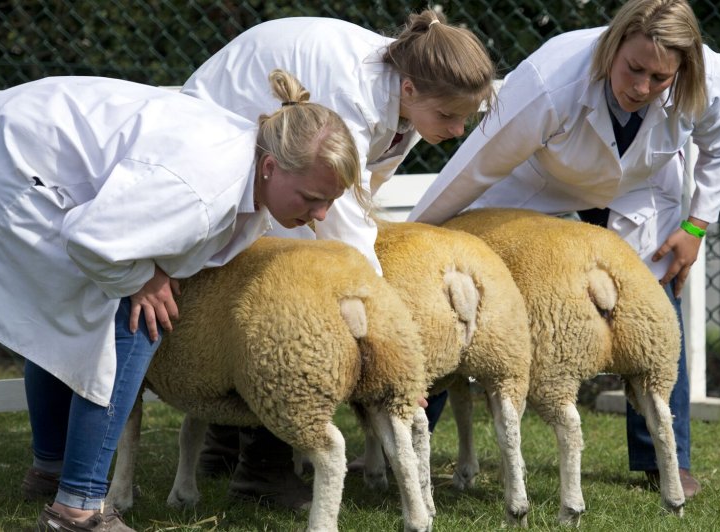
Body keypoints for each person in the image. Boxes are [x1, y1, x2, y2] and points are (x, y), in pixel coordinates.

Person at [0, 70, 361, 531]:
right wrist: (142, 278)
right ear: (270, 168)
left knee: (65, 320)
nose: (320, 215)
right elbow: (93, 239)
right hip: (11, 165)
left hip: (13, 137)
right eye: (312, 198)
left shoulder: (244, 158)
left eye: (329, 202)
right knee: (135, 322)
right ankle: (76, 510)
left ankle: (52, 472)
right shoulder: (204, 187)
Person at [408, 0, 720, 499]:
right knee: (458, 277)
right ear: (612, 46)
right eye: (634, 68)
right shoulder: (552, 78)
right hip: (537, 176)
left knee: (655, 304)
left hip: (640, 187)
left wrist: (695, 227)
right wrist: (417, 242)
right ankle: (410, 427)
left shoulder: (706, 77)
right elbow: (474, 167)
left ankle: (664, 460)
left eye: (660, 78)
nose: (642, 87)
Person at [181, 9, 496, 508]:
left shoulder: (407, 105)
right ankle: (263, 471)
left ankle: (225, 446)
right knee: (296, 302)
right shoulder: (351, 93)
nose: (457, 130)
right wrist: (392, 336)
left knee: (282, 283)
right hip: (226, 134)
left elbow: (366, 186)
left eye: (465, 118)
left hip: (280, 159)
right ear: (410, 91)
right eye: (449, 117)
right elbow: (341, 218)